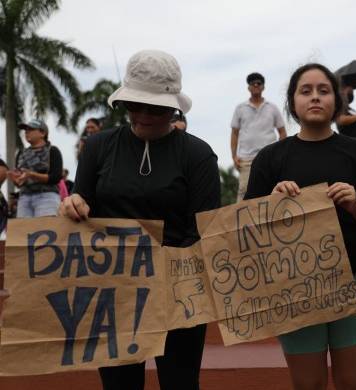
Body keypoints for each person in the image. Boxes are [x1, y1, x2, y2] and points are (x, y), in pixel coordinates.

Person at [59, 49, 220, 390]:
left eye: (156, 108)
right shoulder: (98, 147)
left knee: (180, 382)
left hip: (179, 294)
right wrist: (72, 204)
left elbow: (205, 228)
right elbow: (81, 203)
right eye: (135, 105)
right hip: (112, 292)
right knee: (119, 385)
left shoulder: (197, 154)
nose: (144, 115)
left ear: (174, 106)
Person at [245, 63, 356, 390]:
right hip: (291, 286)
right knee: (308, 384)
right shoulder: (269, 158)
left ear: (336, 99)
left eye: (323, 90)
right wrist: (272, 206)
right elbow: (247, 230)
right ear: (292, 103)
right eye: (305, 91)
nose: (315, 97)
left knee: (353, 383)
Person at [231, 72, 287, 201]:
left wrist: (280, 153)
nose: (256, 85)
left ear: (263, 87)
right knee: (244, 192)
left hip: (270, 158)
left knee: (273, 191)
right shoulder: (240, 108)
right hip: (246, 159)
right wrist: (234, 156)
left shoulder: (272, 108)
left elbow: (282, 132)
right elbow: (234, 133)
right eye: (253, 83)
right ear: (248, 87)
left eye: (259, 83)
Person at [8, 119, 63, 218]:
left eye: (31, 129)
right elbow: (19, 183)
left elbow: (55, 177)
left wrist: (31, 174)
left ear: (42, 133)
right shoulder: (21, 153)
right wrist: (16, 180)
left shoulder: (52, 150)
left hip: (47, 197)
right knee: (24, 232)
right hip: (24, 198)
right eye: (25, 130)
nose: (26, 132)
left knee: (46, 230)